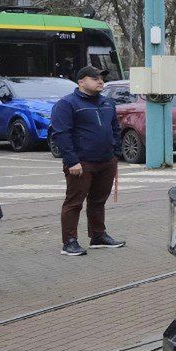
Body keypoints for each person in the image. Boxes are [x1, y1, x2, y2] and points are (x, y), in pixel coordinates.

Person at [52, 65, 126, 257]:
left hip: (106, 161)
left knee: (98, 201)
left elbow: (115, 129)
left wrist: (115, 153)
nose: (100, 81)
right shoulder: (67, 104)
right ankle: (69, 242)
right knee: (74, 202)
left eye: (101, 78)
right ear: (81, 82)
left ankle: (98, 236)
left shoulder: (107, 103)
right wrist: (72, 161)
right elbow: (61, 134)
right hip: (82, 163)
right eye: (95, 78)